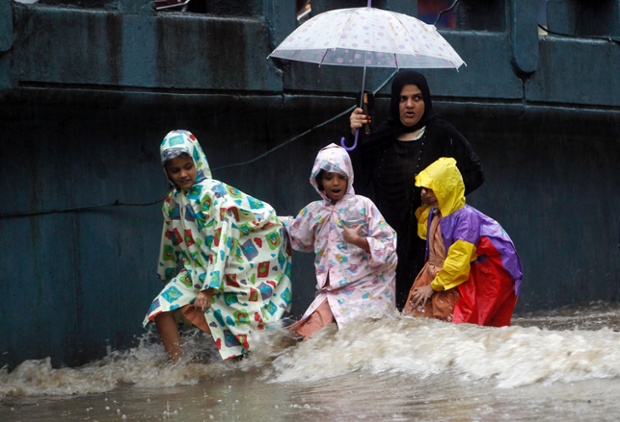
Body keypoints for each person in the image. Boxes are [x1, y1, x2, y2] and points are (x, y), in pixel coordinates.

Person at [143, 130, 293, 362]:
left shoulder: (214, 194)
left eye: (187, 166)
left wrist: (210, 287)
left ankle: (278, 361)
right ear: (167, 173)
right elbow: (170, 237)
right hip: (195, 271)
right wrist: (167, 271)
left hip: (227, 270)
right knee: (160, 309)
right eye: (175, 170)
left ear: (197, 162)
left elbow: (223, 238)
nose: (183, 174)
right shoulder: (171, 202)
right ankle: (178, 368)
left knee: (249, 341)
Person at [347, 70, 485, 310]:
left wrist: (441, 203)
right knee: (384, 315)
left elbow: (475, 173)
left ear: (426, 101)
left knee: (423, 313)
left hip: (427, 243)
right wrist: (354, 135)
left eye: (417, 98)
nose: (409, 105)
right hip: (387, 241)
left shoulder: (441, 133)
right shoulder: (381, 136)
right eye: (402, 99)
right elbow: (354, 180)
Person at [282, 143, 397, 340]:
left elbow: (389, 246)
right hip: (331, 293)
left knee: (360, 345)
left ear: (349, 178)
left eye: (341, 177)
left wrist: (359, 241)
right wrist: (263, 219)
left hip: (365, 290)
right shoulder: (314, 211)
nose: (335, 183)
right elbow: (295, 234)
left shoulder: (363, 206)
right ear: (318, 181)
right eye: (329, 177)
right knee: (304, 339)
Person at [403, 157, 522, 326]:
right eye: (423, 188)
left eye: (430, 189)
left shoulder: (466, 219)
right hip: (431, 275)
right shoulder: (433, 213)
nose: (423, 192)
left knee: (447, 323)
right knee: (415, 321)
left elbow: (458, 262)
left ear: (445, 190)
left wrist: (432, 287)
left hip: (450, 282)